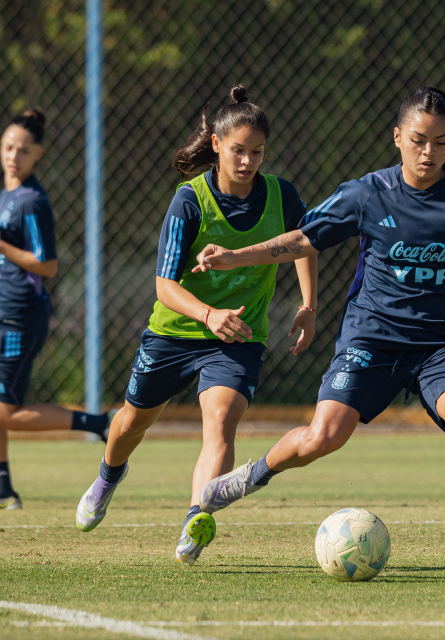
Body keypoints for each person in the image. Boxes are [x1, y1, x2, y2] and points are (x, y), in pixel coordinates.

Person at [193, 86, 445, 581]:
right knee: (325, 436)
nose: (429, 153)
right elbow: (302, 238)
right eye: (418, 140)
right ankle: (247, 479)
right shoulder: (366, 193)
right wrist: (236, 255)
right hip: (372, 337)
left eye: (442, 143)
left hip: (441, 345)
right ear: (397, 138)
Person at [74, 85, 318, 566]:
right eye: (238, 151)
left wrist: (308, 304)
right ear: (216, 146)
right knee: (129, 424)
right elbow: (164, 286)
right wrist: (208, 314)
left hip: (238, 338)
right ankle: (108, 475)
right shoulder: (189, 201)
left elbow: (302, 243)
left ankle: (196, 517)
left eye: (257, 152)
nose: (248, 161)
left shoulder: (281, 195)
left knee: (221, 425)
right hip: (175, 332)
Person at [0, 108, 111, 511]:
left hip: (19, 313)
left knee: (3, 413)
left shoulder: (32, 201)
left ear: (39, 155)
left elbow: (45, 263)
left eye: (23, 150)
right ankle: (2, 492)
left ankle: (100, 424)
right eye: (8, 147)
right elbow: (2, 248)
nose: (13, 156)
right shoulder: (8, 193)